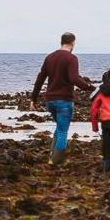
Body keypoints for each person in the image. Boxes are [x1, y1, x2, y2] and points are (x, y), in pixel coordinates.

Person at [33, 32, 84, 163]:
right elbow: (74, 78)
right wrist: (90, 87)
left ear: (61, 42)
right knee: (63, 131)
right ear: (73, 43)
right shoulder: (72, 58)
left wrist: (33, 98)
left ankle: (52, 156)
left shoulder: (50, 57)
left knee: (59, 127)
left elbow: (40, 79)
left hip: (50, 100)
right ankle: (56, 161)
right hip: (64, 100)